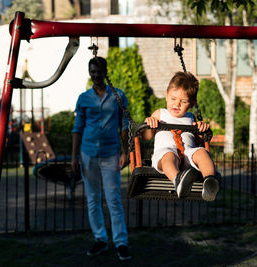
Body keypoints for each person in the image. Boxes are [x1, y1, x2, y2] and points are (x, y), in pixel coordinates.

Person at [71, 56, 130, 261]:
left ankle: (121, 242)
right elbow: (77, 128)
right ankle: (100, 240)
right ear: (90, 73)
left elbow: (125, 126)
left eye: (99, 71)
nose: (95, 75)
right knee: (93, 199)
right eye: (92, 71)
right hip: (88, 154)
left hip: (111, 153)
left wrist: (126, 151)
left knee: (113, 199)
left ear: (105, 72)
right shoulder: (83, 98)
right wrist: (73, 157)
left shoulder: (118, 95)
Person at [142, 71, 220, 201]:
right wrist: (149, 123)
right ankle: (178, 181)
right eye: (173, 99)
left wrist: (201, 129)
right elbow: (146, 136)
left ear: (192, 103)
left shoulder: (191, 118)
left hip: (187, 154)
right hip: (165, 153)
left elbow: (198, 140)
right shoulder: (160, 114)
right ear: (166, 95)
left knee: (202, 152)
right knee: (169, 157)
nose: (177, 104)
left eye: (183, 101)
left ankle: (210, 181)